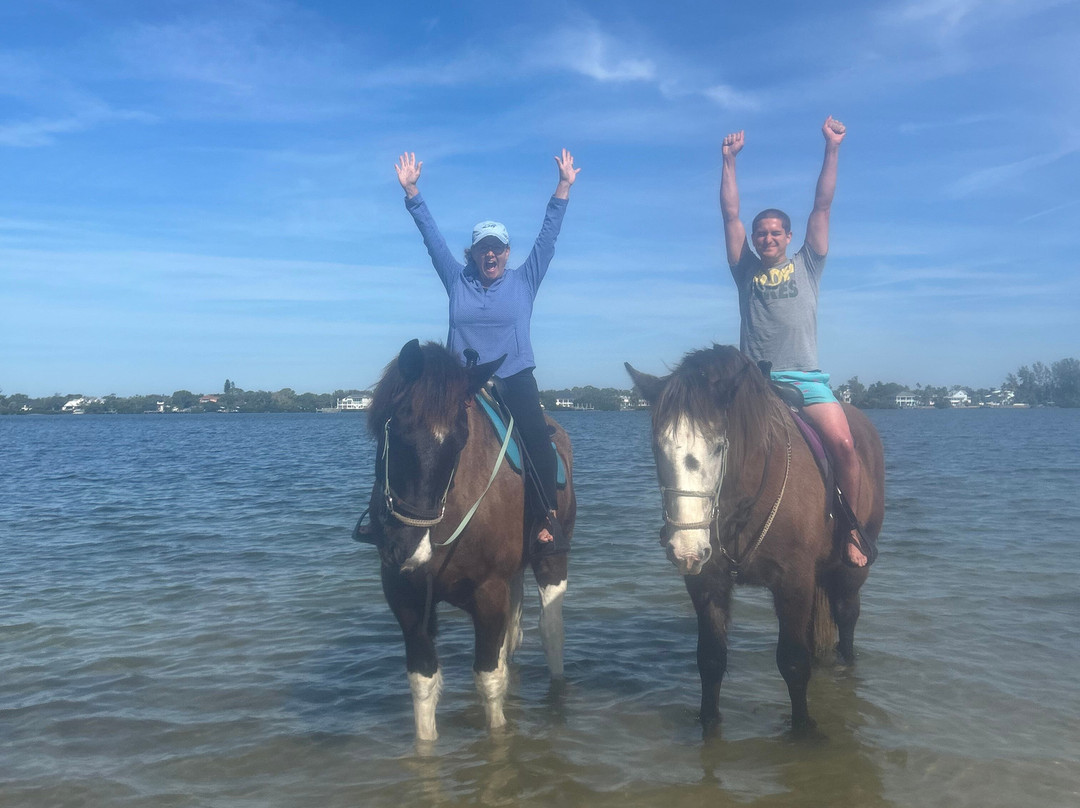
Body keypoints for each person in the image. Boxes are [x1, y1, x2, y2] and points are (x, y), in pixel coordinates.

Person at [391, 148, 580, 551]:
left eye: (497, 247)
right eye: (482, 248)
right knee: (409, 432)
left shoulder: (524, 280)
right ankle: (393, 518)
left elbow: (548, 238)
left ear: (507, 253)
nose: (489, 254)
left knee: (537, 441)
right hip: (461, 382)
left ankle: (545, 518)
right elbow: (431, 238)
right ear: (473, 254)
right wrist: (413, 194)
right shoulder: (457, 280)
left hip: (514, 377)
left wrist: (563, 187)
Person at [720, 117, 874, 567]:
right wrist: (727, 162)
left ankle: (852, 530)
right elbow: (730, 214)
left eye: (775, 233)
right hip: (754, 385)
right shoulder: (744, 270)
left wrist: (832, 149)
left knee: (845, 447)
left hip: (805, 379)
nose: (767, 238)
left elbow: (821, 206)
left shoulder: (809, 264)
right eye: (760, 233)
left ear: (788, 238)